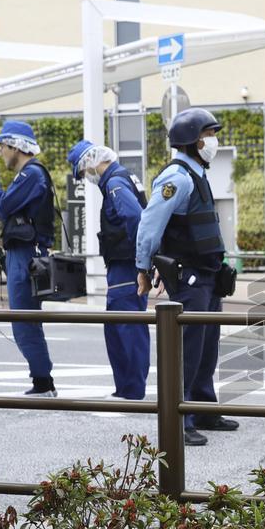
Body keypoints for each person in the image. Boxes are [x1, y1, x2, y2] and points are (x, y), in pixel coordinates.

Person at [135, 107, 238, 447]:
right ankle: (180, 418)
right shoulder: (176, 178)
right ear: (192, 141)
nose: (212, 140)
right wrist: (143, 268)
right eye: (207, 135)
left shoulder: (198, 174)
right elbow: (150, 225)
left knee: (207, 346)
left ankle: (204, 408)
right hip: (190, 275)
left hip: (208, 275)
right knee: (188, 349)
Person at [68, 140, 149, 400]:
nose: (86, 177)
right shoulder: (125, 177)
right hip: (127, 265)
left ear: (90, 161)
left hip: (126, 267)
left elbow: (136, 218)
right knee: (122, 325)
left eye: (82, 171)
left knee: (125, 327)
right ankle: (127, 388)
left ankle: (131, 390)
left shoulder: (114, 182)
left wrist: (142, 262)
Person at [0, 120, 57, 397]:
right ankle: (42, 380)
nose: (2, 153)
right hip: (25, 254)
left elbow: (3, 205)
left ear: (16, 146)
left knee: (24, 320)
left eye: (3, 147)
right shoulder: (30, 176)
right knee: (26, 319)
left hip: (25, 258)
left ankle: (43, 382)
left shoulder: (31, 174)